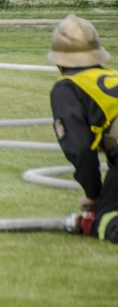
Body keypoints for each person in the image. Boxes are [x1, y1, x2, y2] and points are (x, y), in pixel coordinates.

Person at [47, 13, 118, 243]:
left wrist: (95, 195)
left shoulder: (68, 88)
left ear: (59, 61)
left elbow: (79, 150)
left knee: (107, 220)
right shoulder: (112, 76)